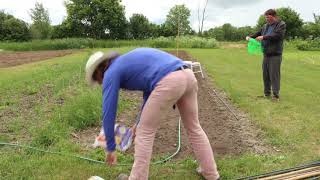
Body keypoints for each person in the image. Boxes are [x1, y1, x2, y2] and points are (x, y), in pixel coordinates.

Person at [85, 48, 220, 180]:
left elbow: (109, 111)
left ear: (99, 70)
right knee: (194, 128)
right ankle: (211, 173)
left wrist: (110, 147)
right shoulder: (125, 62)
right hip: (187, 75)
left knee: (145, 133)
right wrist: (137, 123)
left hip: (170, 81)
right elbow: (149, 91)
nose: (99, 83)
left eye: (96, 79)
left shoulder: (111, 72)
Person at [246, 9, 286, 101]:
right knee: (266, 75)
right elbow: (258, 33)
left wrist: (264, 37)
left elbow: (277, 36)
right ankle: (266, 94)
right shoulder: (265, 26)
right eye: (266, 17)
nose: (267, 19)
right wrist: (250, 37)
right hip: (266, 53)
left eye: (268, 17)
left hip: (275, 54)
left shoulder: (281, 24)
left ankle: (275, 96)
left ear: (274, 16)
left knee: (274, 75)